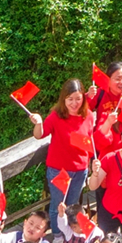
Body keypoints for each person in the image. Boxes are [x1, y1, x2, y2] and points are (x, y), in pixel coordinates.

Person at [30, 79, 95, 234]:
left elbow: (90, 139)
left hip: (80, 170)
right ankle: (58, 235)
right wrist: (38, 123)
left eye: (78, 99)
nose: (74, 103)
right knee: (57, 205)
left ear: (83, 98)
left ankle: (69, 233)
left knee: (72, 205)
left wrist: (92, 161)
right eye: (70, 99)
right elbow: (40, 134)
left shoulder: (89, 116)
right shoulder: (56, 116)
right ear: (63, 99)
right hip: (59, 170)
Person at [86, 62, 122, 128]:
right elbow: (82, 110)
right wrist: (89, 97)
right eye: (117, 79)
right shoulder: (100, 93)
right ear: (108, 79)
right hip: (103, 135)